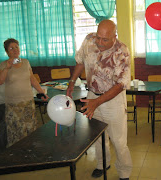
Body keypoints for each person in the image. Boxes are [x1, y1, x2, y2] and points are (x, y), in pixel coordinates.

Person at [66, 20, 132, 180]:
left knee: (118, 141)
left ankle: (124, 173)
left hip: (113, 100)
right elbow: (80, 61)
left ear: (114, 37)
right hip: (91, 96)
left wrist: (98, 102)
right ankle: (103, 164)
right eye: (98, 37)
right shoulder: (89, 39)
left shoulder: (121, 51)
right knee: (97, 136)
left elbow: (121, 84)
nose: (100, 43)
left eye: (105, 40)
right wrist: (72, 81)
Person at [0, 38, 49, 147]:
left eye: (16, 47)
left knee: (30, 129)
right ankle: (18, 154)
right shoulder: (3, 64)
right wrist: (7, 68)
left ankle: (30, 151)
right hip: (14, 105)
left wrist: (41, 92)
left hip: (28, 102)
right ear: (7, 52)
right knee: (16, 132)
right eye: (11, 48)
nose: (15, 50)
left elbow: (32, 79)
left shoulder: (26, 62)